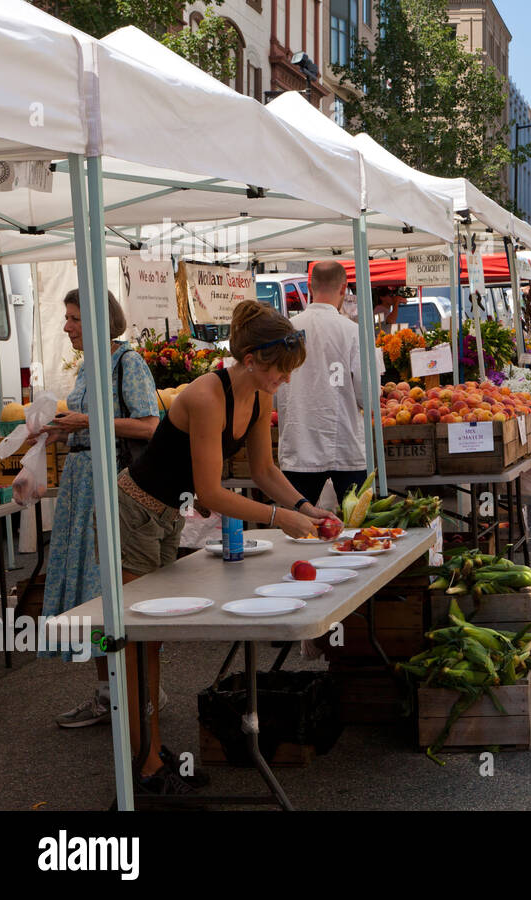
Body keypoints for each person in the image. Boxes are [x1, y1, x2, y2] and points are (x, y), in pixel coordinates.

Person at [116, 300, 338, 793]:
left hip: (167, 516)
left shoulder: (259, 397)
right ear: (254, 358)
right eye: (281, 369)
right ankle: (144, 762)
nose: (284, 379)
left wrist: (305, 505)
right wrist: (282, 518)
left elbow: (265, 472)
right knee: (135, 642)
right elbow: (212, 492)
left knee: (152, 640)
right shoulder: (205, 396)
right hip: (132, 512)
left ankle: (146, 749)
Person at [47, 291, 159, 728]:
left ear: (98, 322)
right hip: (81, 491)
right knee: (87, 594)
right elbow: (89, 427)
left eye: (74, 318)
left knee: (107, 592)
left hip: (110, 491)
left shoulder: (126, 363)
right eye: (67, 318)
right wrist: (57, 434)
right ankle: (108, 694)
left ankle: (137, 693)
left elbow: (150, 426)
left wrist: (87, 423)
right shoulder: (88, 366)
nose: (67, 326)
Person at [276, 261, 366, 507]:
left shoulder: (286, 331)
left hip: (298, 443)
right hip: (345, 445)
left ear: (309, 287)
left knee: (295, 528)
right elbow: (366, 395)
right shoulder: (353, 332)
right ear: (344, 288)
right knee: (358, 529)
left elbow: (272, 391)